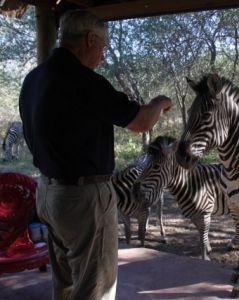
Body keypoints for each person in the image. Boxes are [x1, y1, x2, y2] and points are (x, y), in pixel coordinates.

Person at [19, 9, 172, 300]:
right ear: (90, 39)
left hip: (48, 194)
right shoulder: (86, 82)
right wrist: (159, 102)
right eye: (103, 46)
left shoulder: (33, 79)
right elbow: (140, 122)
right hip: (83, 199)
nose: (103, 55)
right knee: (96, 287)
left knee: (65, 281)